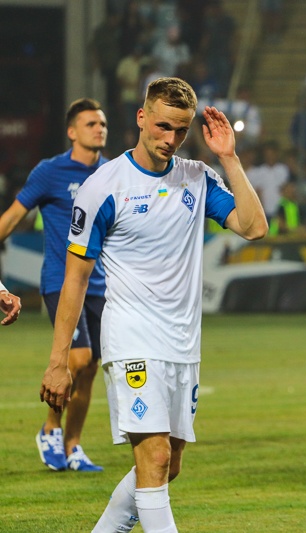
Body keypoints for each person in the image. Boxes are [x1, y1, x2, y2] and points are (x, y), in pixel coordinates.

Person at [39, 77, 267, 532]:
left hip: (183, 345)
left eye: (181, 130)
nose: (171, 139)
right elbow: (75, 279)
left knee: (169, 464)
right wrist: (58, 361)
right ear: (141, 118)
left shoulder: (197, 177)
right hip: (132, 339)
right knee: (156, 457)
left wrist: (228, 157)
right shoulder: (104, 187)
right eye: (163, 126)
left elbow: (253, 227)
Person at [0, 98, 109, 472]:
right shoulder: (50, 172)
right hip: (61, 281)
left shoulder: (112, 173)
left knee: (90, 367)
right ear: (72, 131)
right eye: (91, 123)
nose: (99, 129)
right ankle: (50, 427)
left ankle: (73, 445)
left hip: (101, 285)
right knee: (78, 359)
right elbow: (13, 217)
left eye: (102, 123)